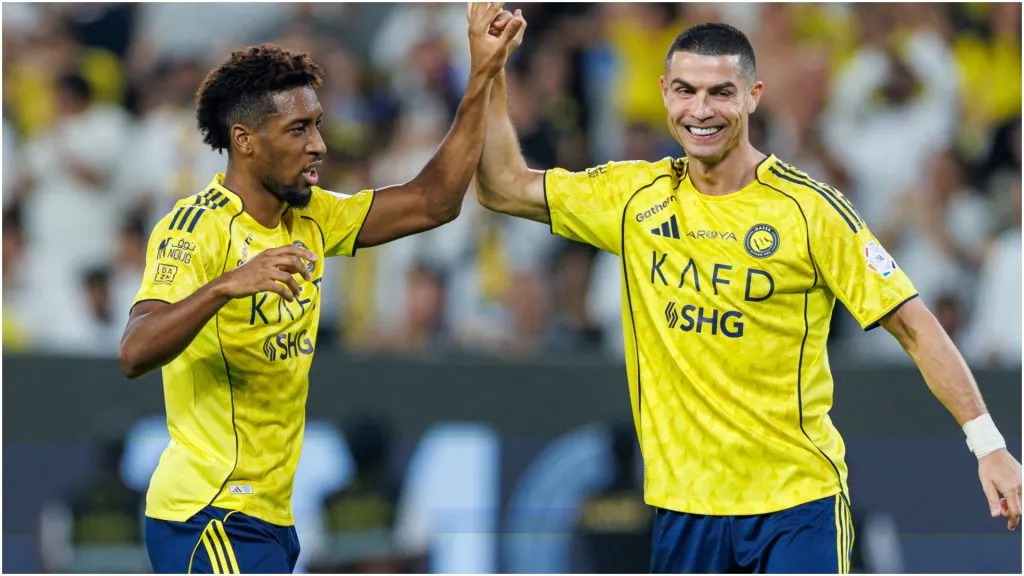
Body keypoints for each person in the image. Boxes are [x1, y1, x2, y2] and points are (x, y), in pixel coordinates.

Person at [476, 20, 1022, 573]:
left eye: (721, 92)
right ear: (664, 92)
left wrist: (989, 445)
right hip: (685, 509)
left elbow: (914, 325)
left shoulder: (809, 212)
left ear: (753, 96)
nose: (701, 110)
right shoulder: (632, 197)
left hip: (797, 504)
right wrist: (491, 69)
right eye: (686, 90)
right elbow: (502, 186)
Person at [118, 4, 526, 573]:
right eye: (298, 129)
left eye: (317, 125)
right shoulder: (194, 229)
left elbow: (433, 201)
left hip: (270, 518)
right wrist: (226, 287)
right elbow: (135, 351)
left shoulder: (313, 217)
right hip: (209, 514)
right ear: (245, 140)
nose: (319, 145)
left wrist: (480, 75)